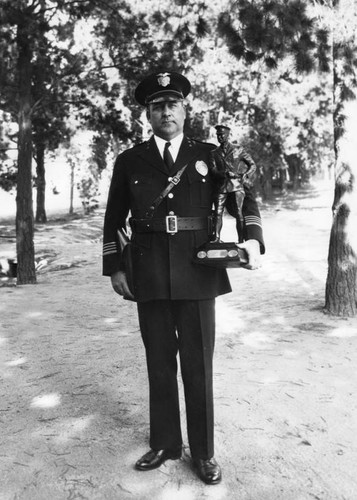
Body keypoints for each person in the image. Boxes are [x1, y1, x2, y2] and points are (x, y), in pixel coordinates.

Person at [102, 71, 264, 485]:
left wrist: (252, 241)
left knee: (198, 365)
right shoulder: (130, 160)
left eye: (173, 104)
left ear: (185, 110)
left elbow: (242, 199)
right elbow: (113, 217)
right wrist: (115, 267)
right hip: (148, 271)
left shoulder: (210, 155)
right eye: (157, 106)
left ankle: (204, 452)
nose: (166, 111)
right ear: (148, 115)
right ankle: (165, 444)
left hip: (197, 271)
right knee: (158, 362)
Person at [208, 125, 257, 243]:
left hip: (236, 186)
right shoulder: (214, 153)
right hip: (221, 186)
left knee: (239, 213)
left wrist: (245, 175)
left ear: (228, 135)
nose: (219, 137)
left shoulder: (238, 149)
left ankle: (241, 240)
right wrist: (224, 173)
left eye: (222, 134)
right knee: (217, 213)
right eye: (218, 135)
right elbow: (213, 171)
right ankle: (216, 239)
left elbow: (252, 165)